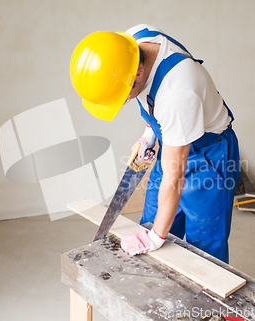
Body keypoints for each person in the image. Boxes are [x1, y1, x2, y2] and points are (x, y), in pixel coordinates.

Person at [70, 24, 240, 263]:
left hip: (208, 156)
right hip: (173, 142)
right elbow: (153, 98)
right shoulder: (131, 43)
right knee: (151, 222)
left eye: (123, 95)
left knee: (203, 248)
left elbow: (175, 177)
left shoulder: (178, 94)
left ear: (137, 73)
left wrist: (157, 237)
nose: (126, 101)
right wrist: (150, 134)